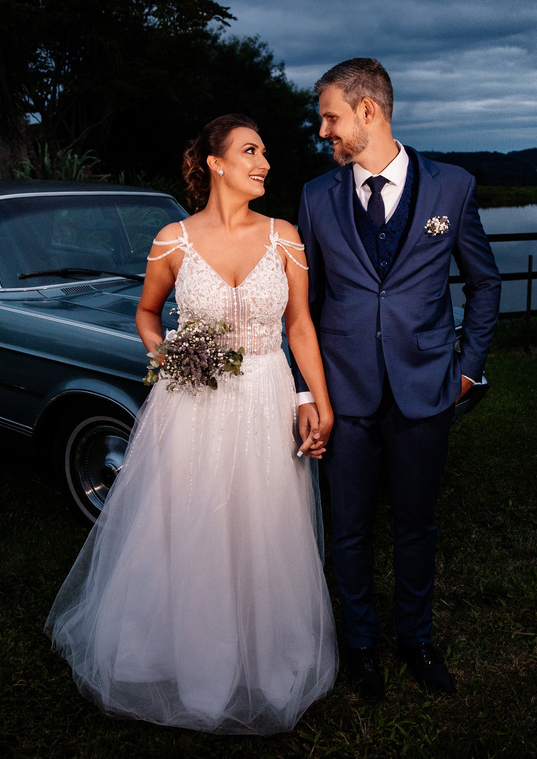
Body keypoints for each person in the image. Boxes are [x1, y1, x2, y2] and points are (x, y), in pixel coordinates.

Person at [45, 114, 338, 735]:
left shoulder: (284, 236)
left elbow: (300, 327)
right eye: (251, 151)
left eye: (264, 153)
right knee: (192, 521)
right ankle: (190, 662)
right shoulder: (172, 241)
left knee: (262, 523)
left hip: (265, 392)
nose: (264, 163)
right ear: (215, 162)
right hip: (192, 403)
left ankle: (264, 663)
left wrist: (314, 397)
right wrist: (166, 354)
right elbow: (148, 313)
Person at [293, 59, 501, 699]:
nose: (323, 130)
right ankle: (360, 648)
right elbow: (302, 304)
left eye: (330, 116)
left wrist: (466, 372)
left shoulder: (452, 187)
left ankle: (416, 641)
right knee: (348, 528)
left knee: (417, 525)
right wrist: (308, 392)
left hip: (427, 388)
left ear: (367, 111)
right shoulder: (315, 197)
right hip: (343, 394)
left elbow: (484, 283)